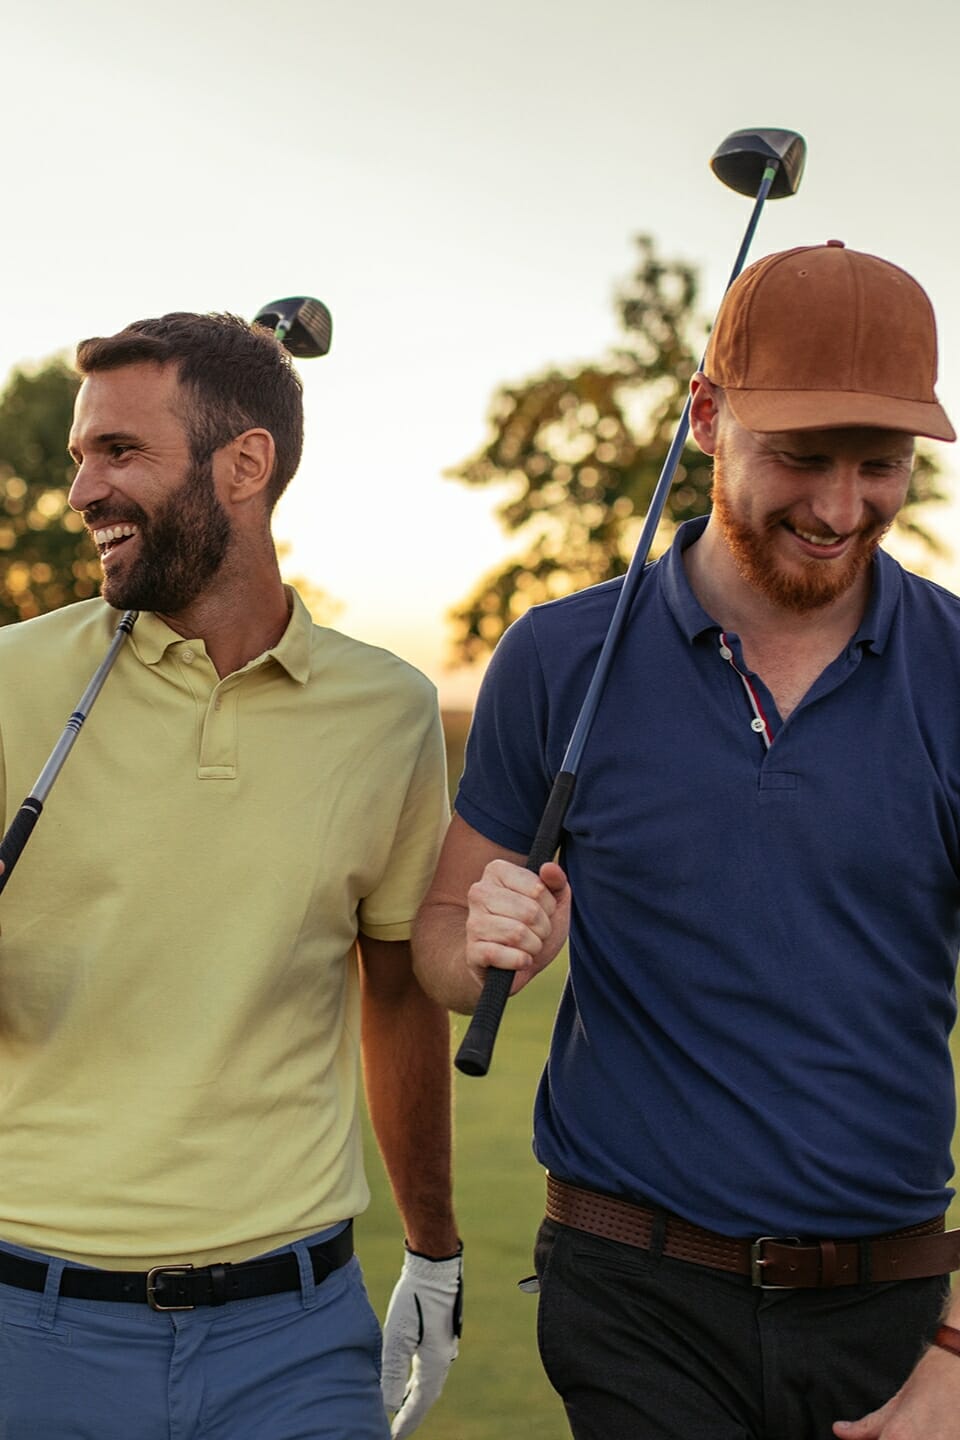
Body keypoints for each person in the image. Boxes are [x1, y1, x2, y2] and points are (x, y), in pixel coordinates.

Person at [413, 241, 960, 1440]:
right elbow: (444, 946)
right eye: (801, 458)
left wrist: (959, 1350)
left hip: (897, 1312)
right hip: (633, 1295)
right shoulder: (558, 659)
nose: (837, 507)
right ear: (708, 417)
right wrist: (488, 936)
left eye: (883, 466)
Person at [0, 312, 461, 1439]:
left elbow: (395, 991)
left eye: (121, 452)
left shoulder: (388, 711)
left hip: (295, 1340)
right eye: (80, 458)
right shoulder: (9, 685)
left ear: (244, 465)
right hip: (28, 1327)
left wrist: (436, 1252)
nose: (84, 493)